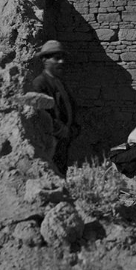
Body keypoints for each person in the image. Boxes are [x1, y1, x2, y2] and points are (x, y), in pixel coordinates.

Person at [32, 40, 78, 176]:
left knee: (61, 170)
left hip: (63, 139)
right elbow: (42, 114)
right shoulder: (40, 84)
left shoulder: (59, 82)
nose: (61, 62)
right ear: (45, 60)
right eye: (57, 58)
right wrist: (60, 129)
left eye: (62, 58)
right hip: (51, 141)